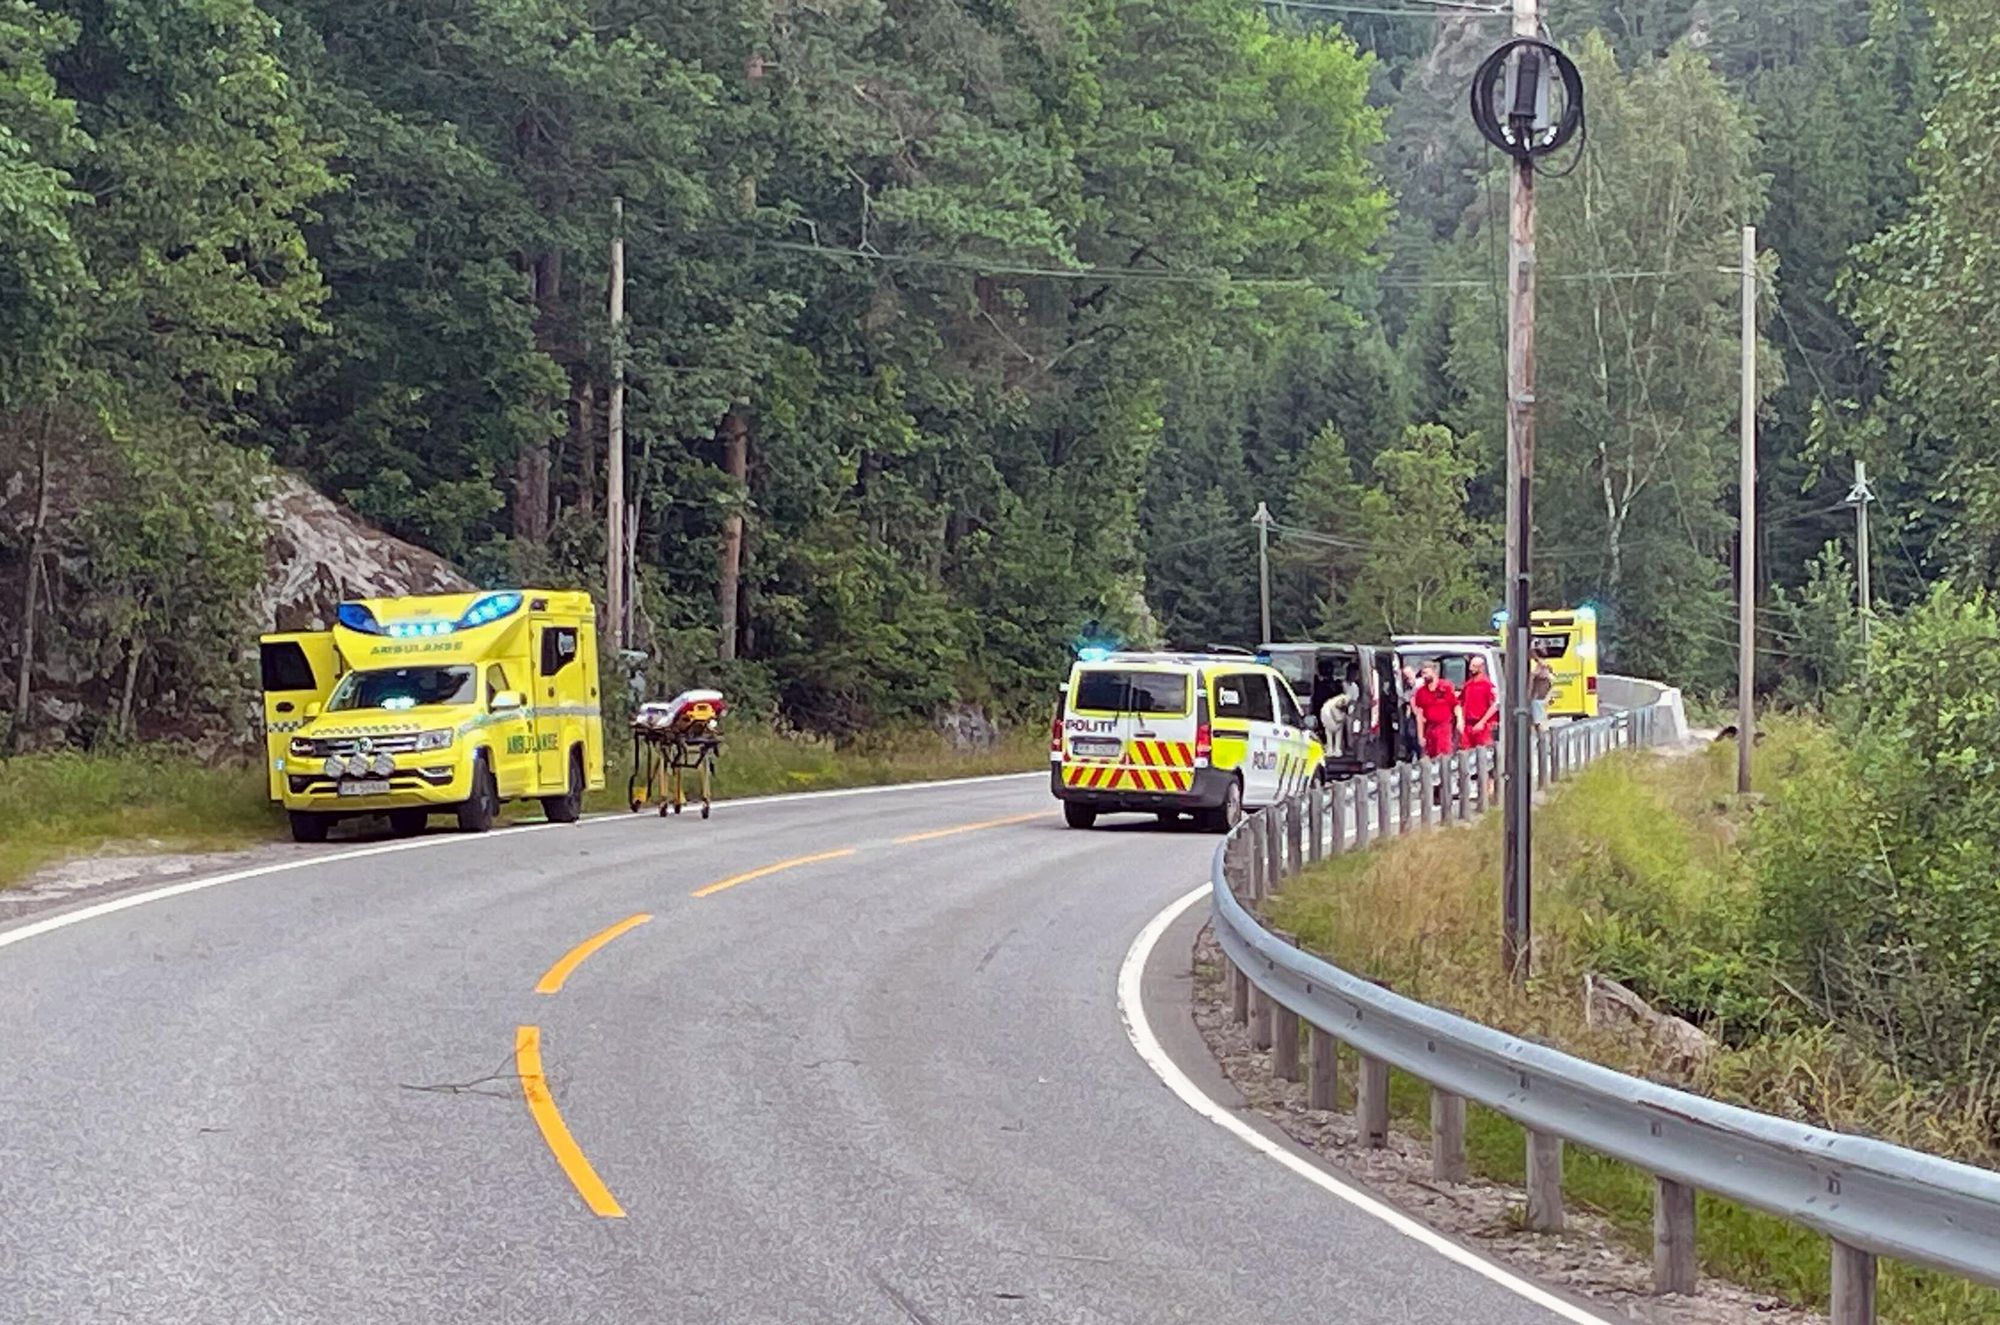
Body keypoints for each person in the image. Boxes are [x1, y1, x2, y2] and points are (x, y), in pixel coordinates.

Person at [1411, 661, 1459, 760]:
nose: (1424, 676)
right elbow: (1419, 715)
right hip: (1429, 728)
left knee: (1443, 756)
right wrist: (1420, 735)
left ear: (1434, 672)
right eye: (1422, 673)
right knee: (1429, 757)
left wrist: (1460, 721)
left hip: (1444, 727)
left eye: (1426, 673)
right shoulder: (1421, 692)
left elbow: (1455, 705)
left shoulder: (1446, 687)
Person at [1460, 655, 1499, 749]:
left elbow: (1494, 705)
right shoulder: (1468, 685)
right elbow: (1462, 703)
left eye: (1474, 666)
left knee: (1482, 751)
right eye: (1471, 665)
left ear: (1481, 667)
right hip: (1468, 726)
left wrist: (1482, 722)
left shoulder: (1487, 685)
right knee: (1465, 751)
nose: (1470, 669)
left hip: (1483, 726)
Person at [1531, 659, 1554, 730]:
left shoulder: (1548, 680)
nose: (1543, 671)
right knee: (1538, 722)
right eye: (1542, 669)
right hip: (1536, 701)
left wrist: (1548, 699)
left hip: (1541, 701)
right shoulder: (1534, 678)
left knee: (1541, 721)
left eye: (1545, 669)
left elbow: (1550, 690)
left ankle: (1542, 729)